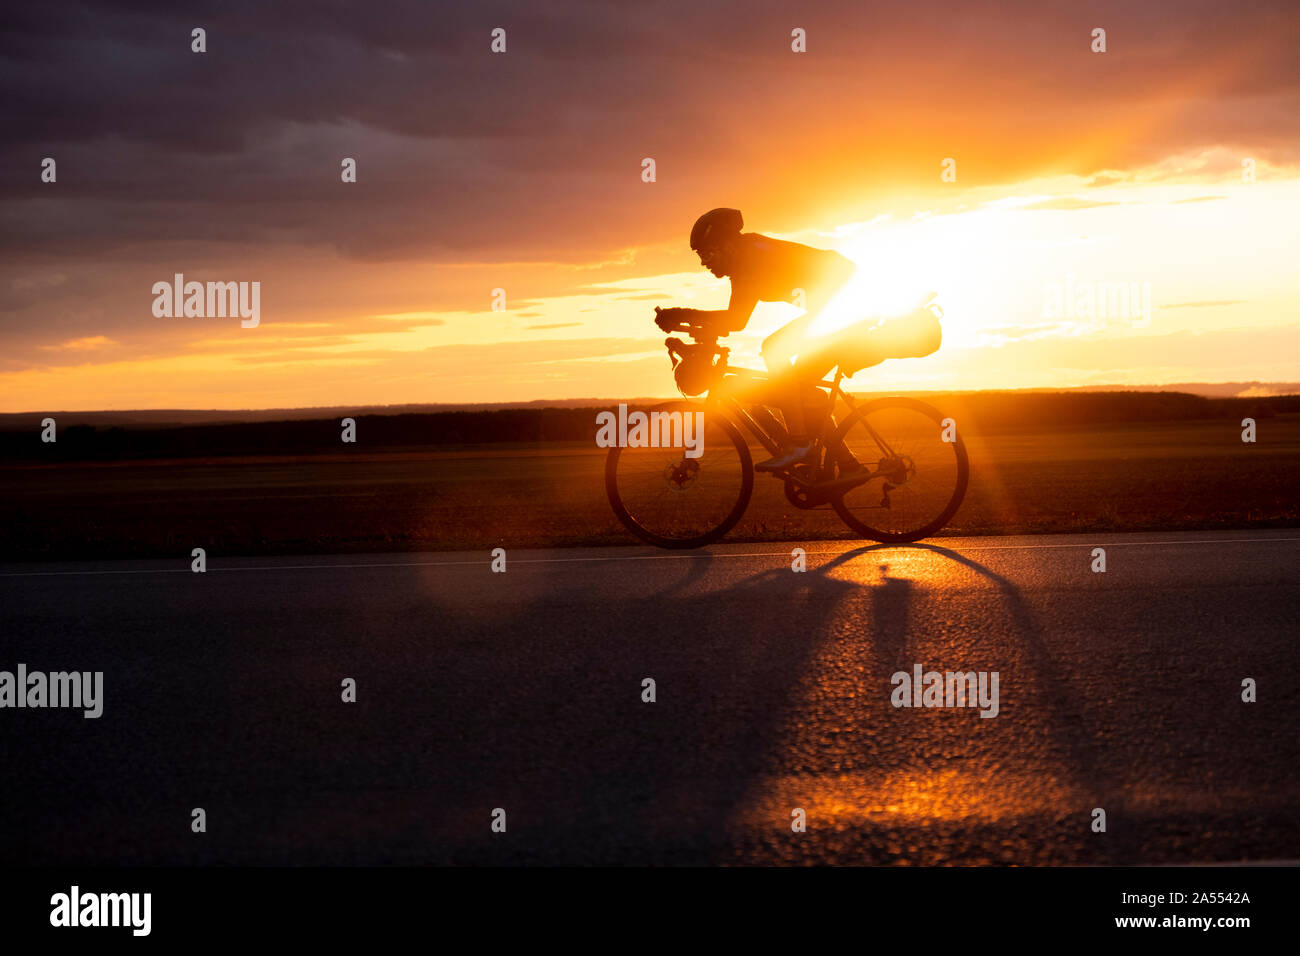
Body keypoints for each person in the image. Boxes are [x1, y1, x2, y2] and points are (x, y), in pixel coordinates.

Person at [655, 207, 856, 471]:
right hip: (838, 302)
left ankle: (800, 443)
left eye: (707, 252)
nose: (704, 262)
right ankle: (847, 464)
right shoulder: (745, 258)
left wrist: (682, 314)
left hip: (847, 302)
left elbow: (735, 321)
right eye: (700, 256)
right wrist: (686, 328)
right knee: (801, 392)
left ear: (726, 244)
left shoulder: (750, 259)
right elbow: (733, 320)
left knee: (773, 349)